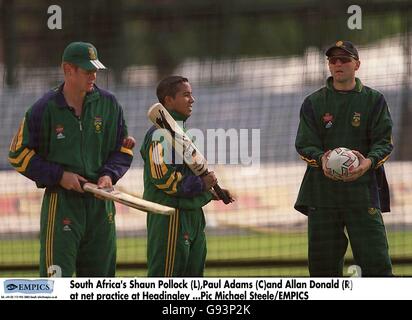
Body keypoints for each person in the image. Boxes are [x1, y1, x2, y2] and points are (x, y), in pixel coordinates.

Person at [8, 41, 134, 277]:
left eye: (96, 70)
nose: (94, 76)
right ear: (68, 69)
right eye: (88, 71)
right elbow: (17, 154)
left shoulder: (110, 104)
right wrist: (59, 176)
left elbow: (123, 150)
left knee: (101, 284)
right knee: (56, 284)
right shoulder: (43, 108)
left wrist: (109, 174)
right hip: (62, 204)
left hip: (101, 205)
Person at [294, 40, 393, 277]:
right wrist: (323, 160)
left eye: (344, 59)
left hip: (362, 192)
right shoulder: (313, 102)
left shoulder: (374, 100)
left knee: (376, 263)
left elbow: (384, 143)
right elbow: (304, 145)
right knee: (322, 270)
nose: (338, 64)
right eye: (332, 60)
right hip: (322, 195)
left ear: (357, 64)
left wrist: (367, 163)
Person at [140, 75, 234, 277]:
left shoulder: (183, 132)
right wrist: (201, 184)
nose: (192, 100)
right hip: (171, 217)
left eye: (191, 95)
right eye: (186, 95)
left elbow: (191, 170)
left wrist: (212, 191)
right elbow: (162, 178)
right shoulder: (158, 134)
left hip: (193, 215)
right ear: (168, 100)